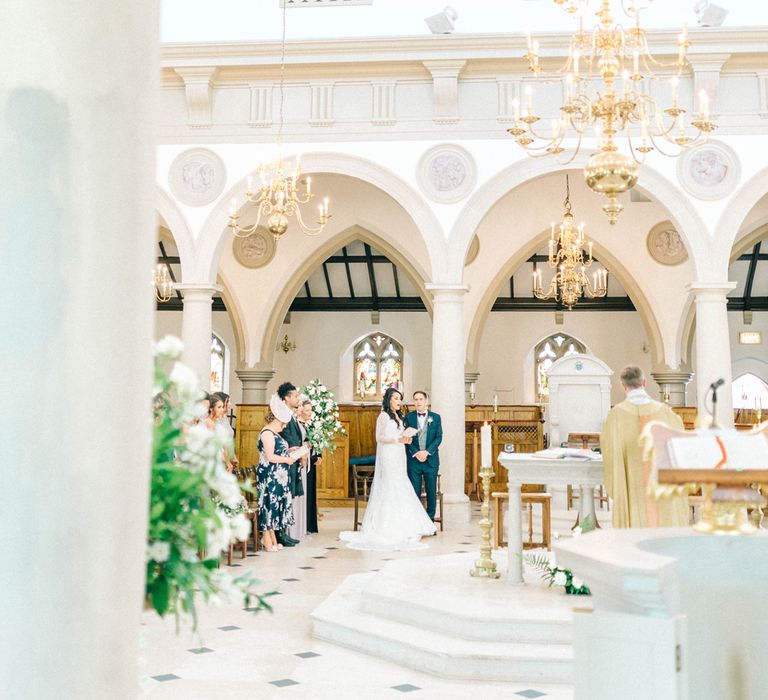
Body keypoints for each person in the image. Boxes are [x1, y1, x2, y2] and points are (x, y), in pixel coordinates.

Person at [340, 387, 437, 550]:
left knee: (401, 484)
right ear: (389, 400)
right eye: (396, 398)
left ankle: (405, 523)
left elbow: (402, 436)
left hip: (399, 454)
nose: (399, 401)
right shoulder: (383, 416)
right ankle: (386, 526)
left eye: (400, 399)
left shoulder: (400, 417)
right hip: (388, 454)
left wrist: (405, 439)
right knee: (390, 485)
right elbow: (379, 437)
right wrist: (396, 439)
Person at [601, 365, 687, 528]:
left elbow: (609, 449)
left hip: (633, 489)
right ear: (645, 382)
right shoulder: (666, 413)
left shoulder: (616, 415)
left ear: (623, 386)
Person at [256, 395, 303, 552]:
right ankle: (265, 537)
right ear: (276, 421)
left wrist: (290, 450)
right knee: (269, 504)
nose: (284, 427)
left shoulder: (275, 434)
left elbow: (277, 450)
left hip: (278, 476)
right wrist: (287, 460)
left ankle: (273, 538)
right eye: (283, 424)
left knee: (275, 505)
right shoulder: (267, 433)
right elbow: (270, 456)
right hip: (270, 476)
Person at [404, 390, 443, 524]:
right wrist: (416, 452)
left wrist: (426, 452)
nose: (418, 402)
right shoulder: (408, 417)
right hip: (414, 460)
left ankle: (430, 520)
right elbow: (406, 437)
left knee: (431, 491)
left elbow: (438, 437)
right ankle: (416, 521)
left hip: (431, 460)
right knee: (414, 491)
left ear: (426, 401)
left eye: (421, 399)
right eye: (415, 399)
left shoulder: (436, 417)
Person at [277, 382, 304, 547]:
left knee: (289, 497)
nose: (297, 398)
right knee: (284, 496)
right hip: (286, 461)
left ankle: (284, 532)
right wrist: (294, 449)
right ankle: (280, 533)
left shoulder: (290, 414)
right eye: (294, 396)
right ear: (286, 398)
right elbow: (284, 437)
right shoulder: (282, 415)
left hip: (293, 460)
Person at [297, 397, 322, 534]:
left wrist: (319, 456)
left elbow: (316, 443)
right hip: (302, 462)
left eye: (311, 410)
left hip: (311, 462)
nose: (310, 412)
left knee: (310, 492)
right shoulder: (297, 425)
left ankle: (309, 524)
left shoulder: (311, 425)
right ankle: (303, 524)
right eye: (307, 410)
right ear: (300, 411)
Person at [212, 391, 239, 471]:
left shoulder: (225, 418)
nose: (230, 404)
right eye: (228, 401)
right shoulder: (214, 421)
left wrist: (233, 456)